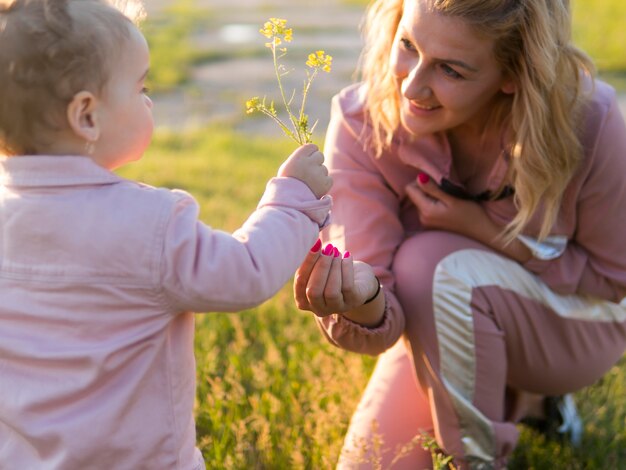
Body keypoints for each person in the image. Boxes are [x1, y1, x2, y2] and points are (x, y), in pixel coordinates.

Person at [294, 0, 626, 468]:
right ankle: (520, 401)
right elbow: (377, 330)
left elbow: (612, 279)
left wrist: (486, 231)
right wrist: (363, 296)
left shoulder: (590, 120)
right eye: (407, 44)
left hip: (573, 325)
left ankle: (476, 456)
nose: (411, 84)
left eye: (450, 70)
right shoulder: (360, 122)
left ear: (512, 75)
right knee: (370, 464)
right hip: (438, 316)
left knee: (430, 264)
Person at [0, 0, 332, 468]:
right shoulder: (149, 223)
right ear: (87, 117)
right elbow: (244, 272)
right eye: (141, 87)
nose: (150, 100)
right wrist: (293, 200)